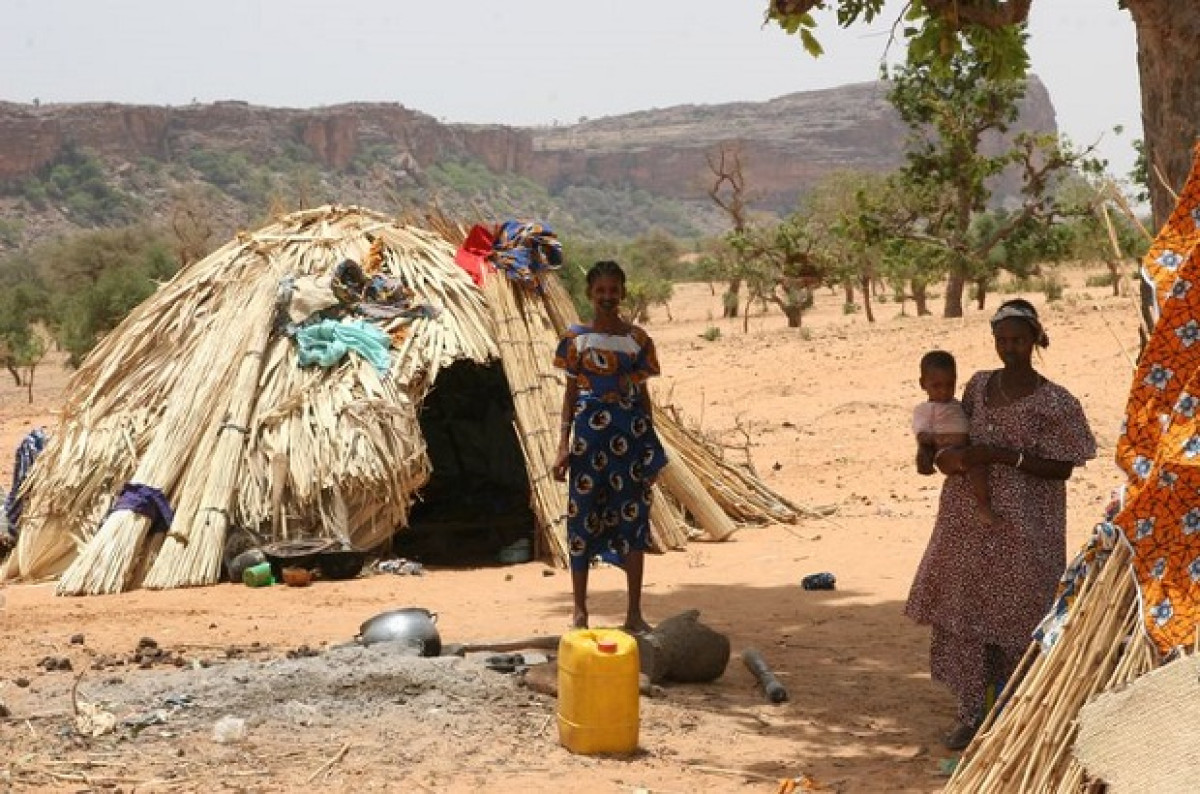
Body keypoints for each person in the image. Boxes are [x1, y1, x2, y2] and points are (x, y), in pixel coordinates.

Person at [905, 298, 1096, 751]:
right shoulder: (976, 385)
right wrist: (944, 457)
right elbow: (960, 437)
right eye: (1002, 340)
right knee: (967, 610)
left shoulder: (1057, 401)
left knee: (1021, 615)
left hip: (1027, 523)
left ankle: (1019, 716)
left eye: (1018, 339)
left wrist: (999, 456)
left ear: (1035, 340)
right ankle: (972, 714)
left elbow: (1064, 467)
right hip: (967, 518)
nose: (1009, 348)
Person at [552, 260, 667, 633]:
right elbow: (570, 395)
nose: (606, 297)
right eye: (600, 291)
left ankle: (633, 613)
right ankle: (580, 612)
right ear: (589, 294)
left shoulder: (637, 341)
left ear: (623, 293)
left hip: (629, 442)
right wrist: (562, 445)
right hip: (587, 442)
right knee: (581, 521)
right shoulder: (575, 339)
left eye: (613, 290)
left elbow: (644, 397)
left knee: (633, 521)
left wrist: (649, 447)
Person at [913, 350, 999, 526]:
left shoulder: (957, 405)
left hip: (963, 447)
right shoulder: (926, 410)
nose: (944, 391)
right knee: (974, 465)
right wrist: (938, 440)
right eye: (936, 386)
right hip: (947, 451)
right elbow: (921, 434)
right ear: (923, 384)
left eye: (949, 385)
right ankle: (983, 505)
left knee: (981, 465)